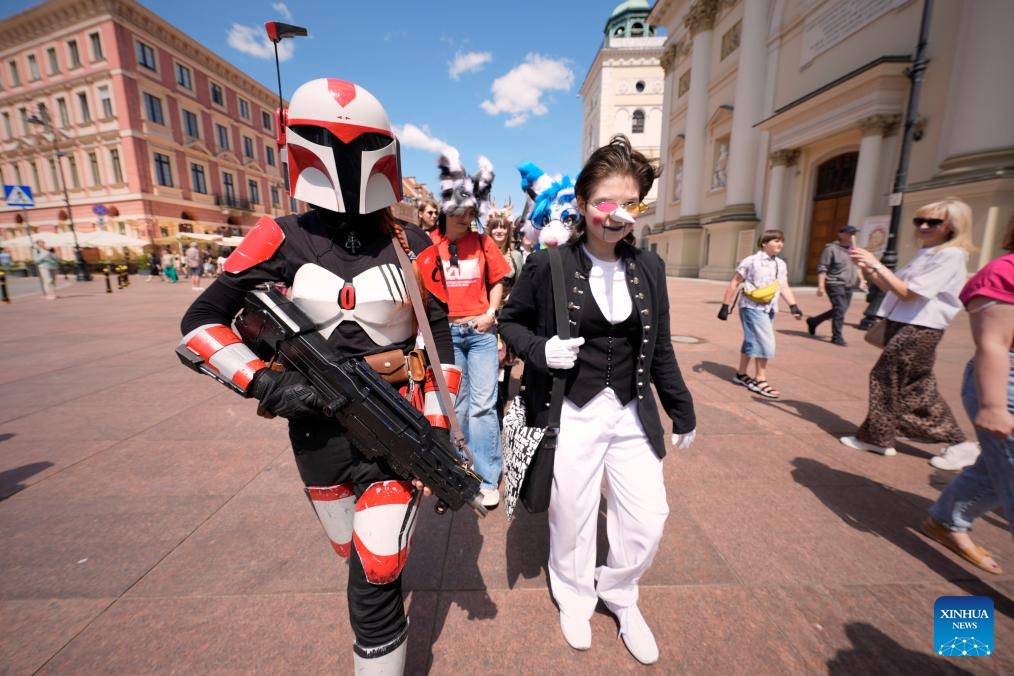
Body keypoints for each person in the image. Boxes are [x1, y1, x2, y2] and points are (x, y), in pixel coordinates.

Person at [177, 77, 458, 674]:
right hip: (316, 433)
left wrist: (436, 424)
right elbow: (200, 323)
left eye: (361, 144)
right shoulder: (278, 235)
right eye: (328, 140)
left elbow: (442, 341)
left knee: (376, 570)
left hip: (396, 421)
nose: (347, 157)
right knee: (352, 555)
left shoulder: (411, 241)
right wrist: (267, 384)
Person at [499, 135, 696, 665]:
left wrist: (681, 406)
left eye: (629, 204)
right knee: (573, 510)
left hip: (631, 409)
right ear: (583, 204)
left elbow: (661, 347)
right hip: (571, 410)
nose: (617, 215)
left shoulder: (649, 268)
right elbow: (509, 322)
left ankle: (619, 590)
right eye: (605, 202)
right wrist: (542, 350)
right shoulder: (549, 265)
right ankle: (573, 593)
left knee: (649, 516)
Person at [841, 197, 980, 467]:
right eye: (920, 220)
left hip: (920, 327)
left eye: (933, 222)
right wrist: (869, 267)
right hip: (907, 323)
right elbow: (892, 287)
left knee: (887, 378)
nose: (924, 226)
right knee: (916, 385)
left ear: (952, 226)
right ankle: (954, 443)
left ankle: (881, 438)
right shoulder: (929, 252)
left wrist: (875, 263)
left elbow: (907, 293)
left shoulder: (950, 255)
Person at [921, 222, 1014, 575]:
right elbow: (993, 342)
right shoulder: (1005, 272)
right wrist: (993, 406)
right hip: (1005, 382)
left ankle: (947, 520)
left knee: (996, 467)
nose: (924, 228)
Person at [431, 147, 510, 508]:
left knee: (483, 406)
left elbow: (498, 280)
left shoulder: (482, 242)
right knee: (457, 407)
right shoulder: (430, 245)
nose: (468, 218)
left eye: (471, 212)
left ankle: (488, 477)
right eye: (461, 213)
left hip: (479, 334)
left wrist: (492, 312)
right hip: (446, 334)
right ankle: (462, 470)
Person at [717, 230, 804, 399]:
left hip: (769, 308)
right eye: (776, 241)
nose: (780, 244)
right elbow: (735, 282)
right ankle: (760, 379)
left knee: (752, 340)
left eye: (782, 241)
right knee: (765, 341)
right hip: (751, 307)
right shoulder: (751, 261)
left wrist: (793, 306)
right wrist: (725, 305)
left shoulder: (780, 263)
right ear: (764, 243)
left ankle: (741, 374)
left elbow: (783, 286)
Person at [486, 202, 524, 419]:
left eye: (503, 227)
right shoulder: (482, 252)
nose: (499, 231)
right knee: (488, 358)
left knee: (506, 359)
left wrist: (512, 298)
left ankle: (502, 405)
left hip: (507, 314)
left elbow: (521, 283)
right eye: (495, 227)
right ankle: (490, 402)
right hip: (486, 312)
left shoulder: (516, 256)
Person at [806, 225, 868, 345]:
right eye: (850, 233)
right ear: (841, 234)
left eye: (854, 234)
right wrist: (821, 285)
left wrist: (862, 280)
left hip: (848, 284)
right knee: (840, 308)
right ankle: (837, 336)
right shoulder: (831, 249)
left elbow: (857, 267)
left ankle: (814, 321)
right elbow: (823, 267)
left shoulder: (854, 249)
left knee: (840, 309)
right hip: (834, 283)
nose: (852, 236)